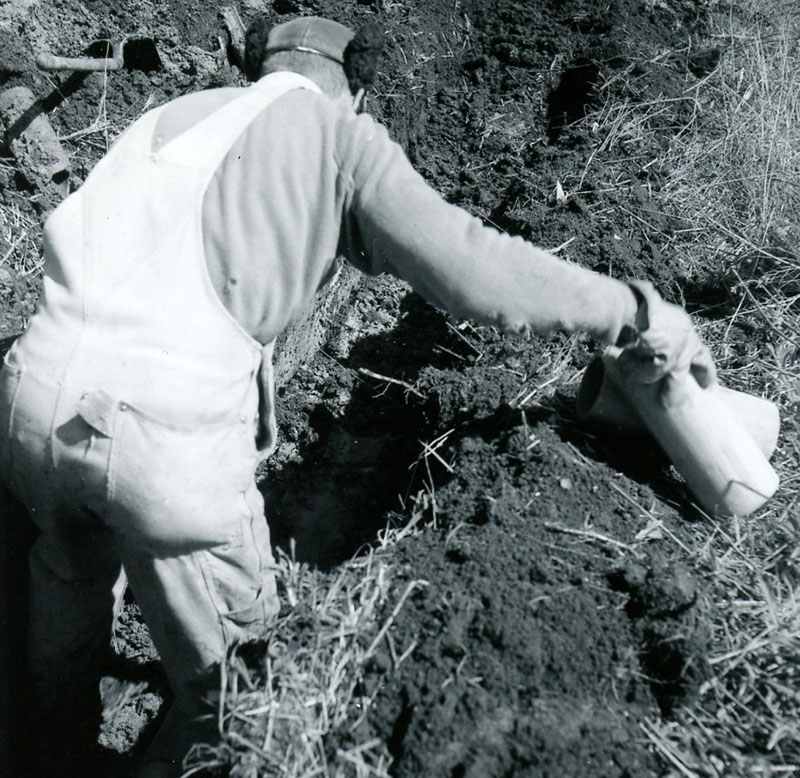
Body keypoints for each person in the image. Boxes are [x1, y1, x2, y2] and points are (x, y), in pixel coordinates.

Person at [0, 14, 715, 778]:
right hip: (159, 440)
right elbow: (473, 268)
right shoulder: (340, 137)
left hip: (29, 401)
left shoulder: (175, 116)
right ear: (361, 92)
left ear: (256, 70)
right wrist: (632, 311)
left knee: (67, 577)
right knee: (238, 683)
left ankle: (47, 749)